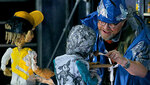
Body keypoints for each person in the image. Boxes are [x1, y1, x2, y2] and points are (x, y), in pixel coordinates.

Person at [81, 0, 150, 85]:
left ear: (123, 21)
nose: (106, 28)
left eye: (112, 24)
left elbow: (143, 72)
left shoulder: (137, 35)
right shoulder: (90, 26)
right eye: (102, 22)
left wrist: (124, 61)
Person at [1, 10, 55, 85]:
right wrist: (44, 73)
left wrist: (5, 69)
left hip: (18, 81)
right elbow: (35, 69)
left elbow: (3, 63)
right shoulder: (28, 52)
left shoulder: (13, 51)